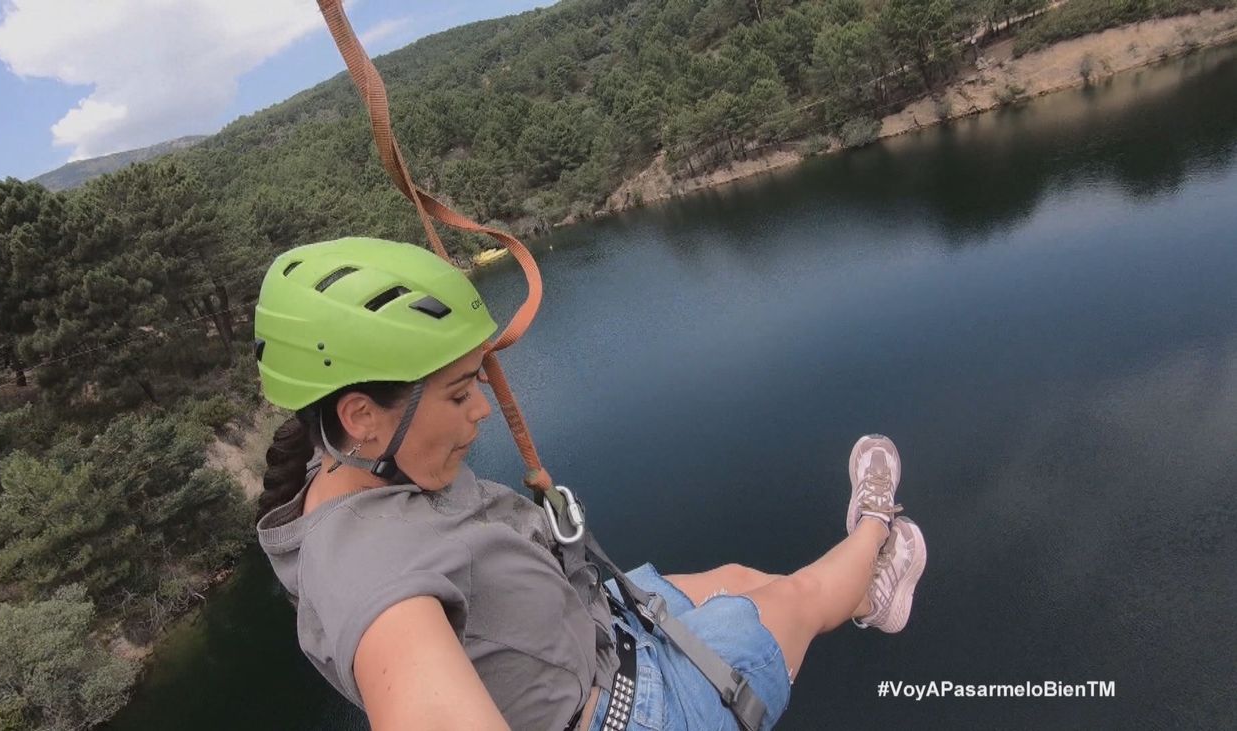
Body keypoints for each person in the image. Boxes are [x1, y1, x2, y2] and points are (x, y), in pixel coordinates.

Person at [254, 237, 927, 730]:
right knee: (800, 595)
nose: (483, 410)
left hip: (599, 627)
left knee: (740, 575)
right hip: (640, 710)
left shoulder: (342, 464)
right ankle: (880, 528)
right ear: (361, 415)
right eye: (460, 393)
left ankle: (871, 590)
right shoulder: (371, 575)